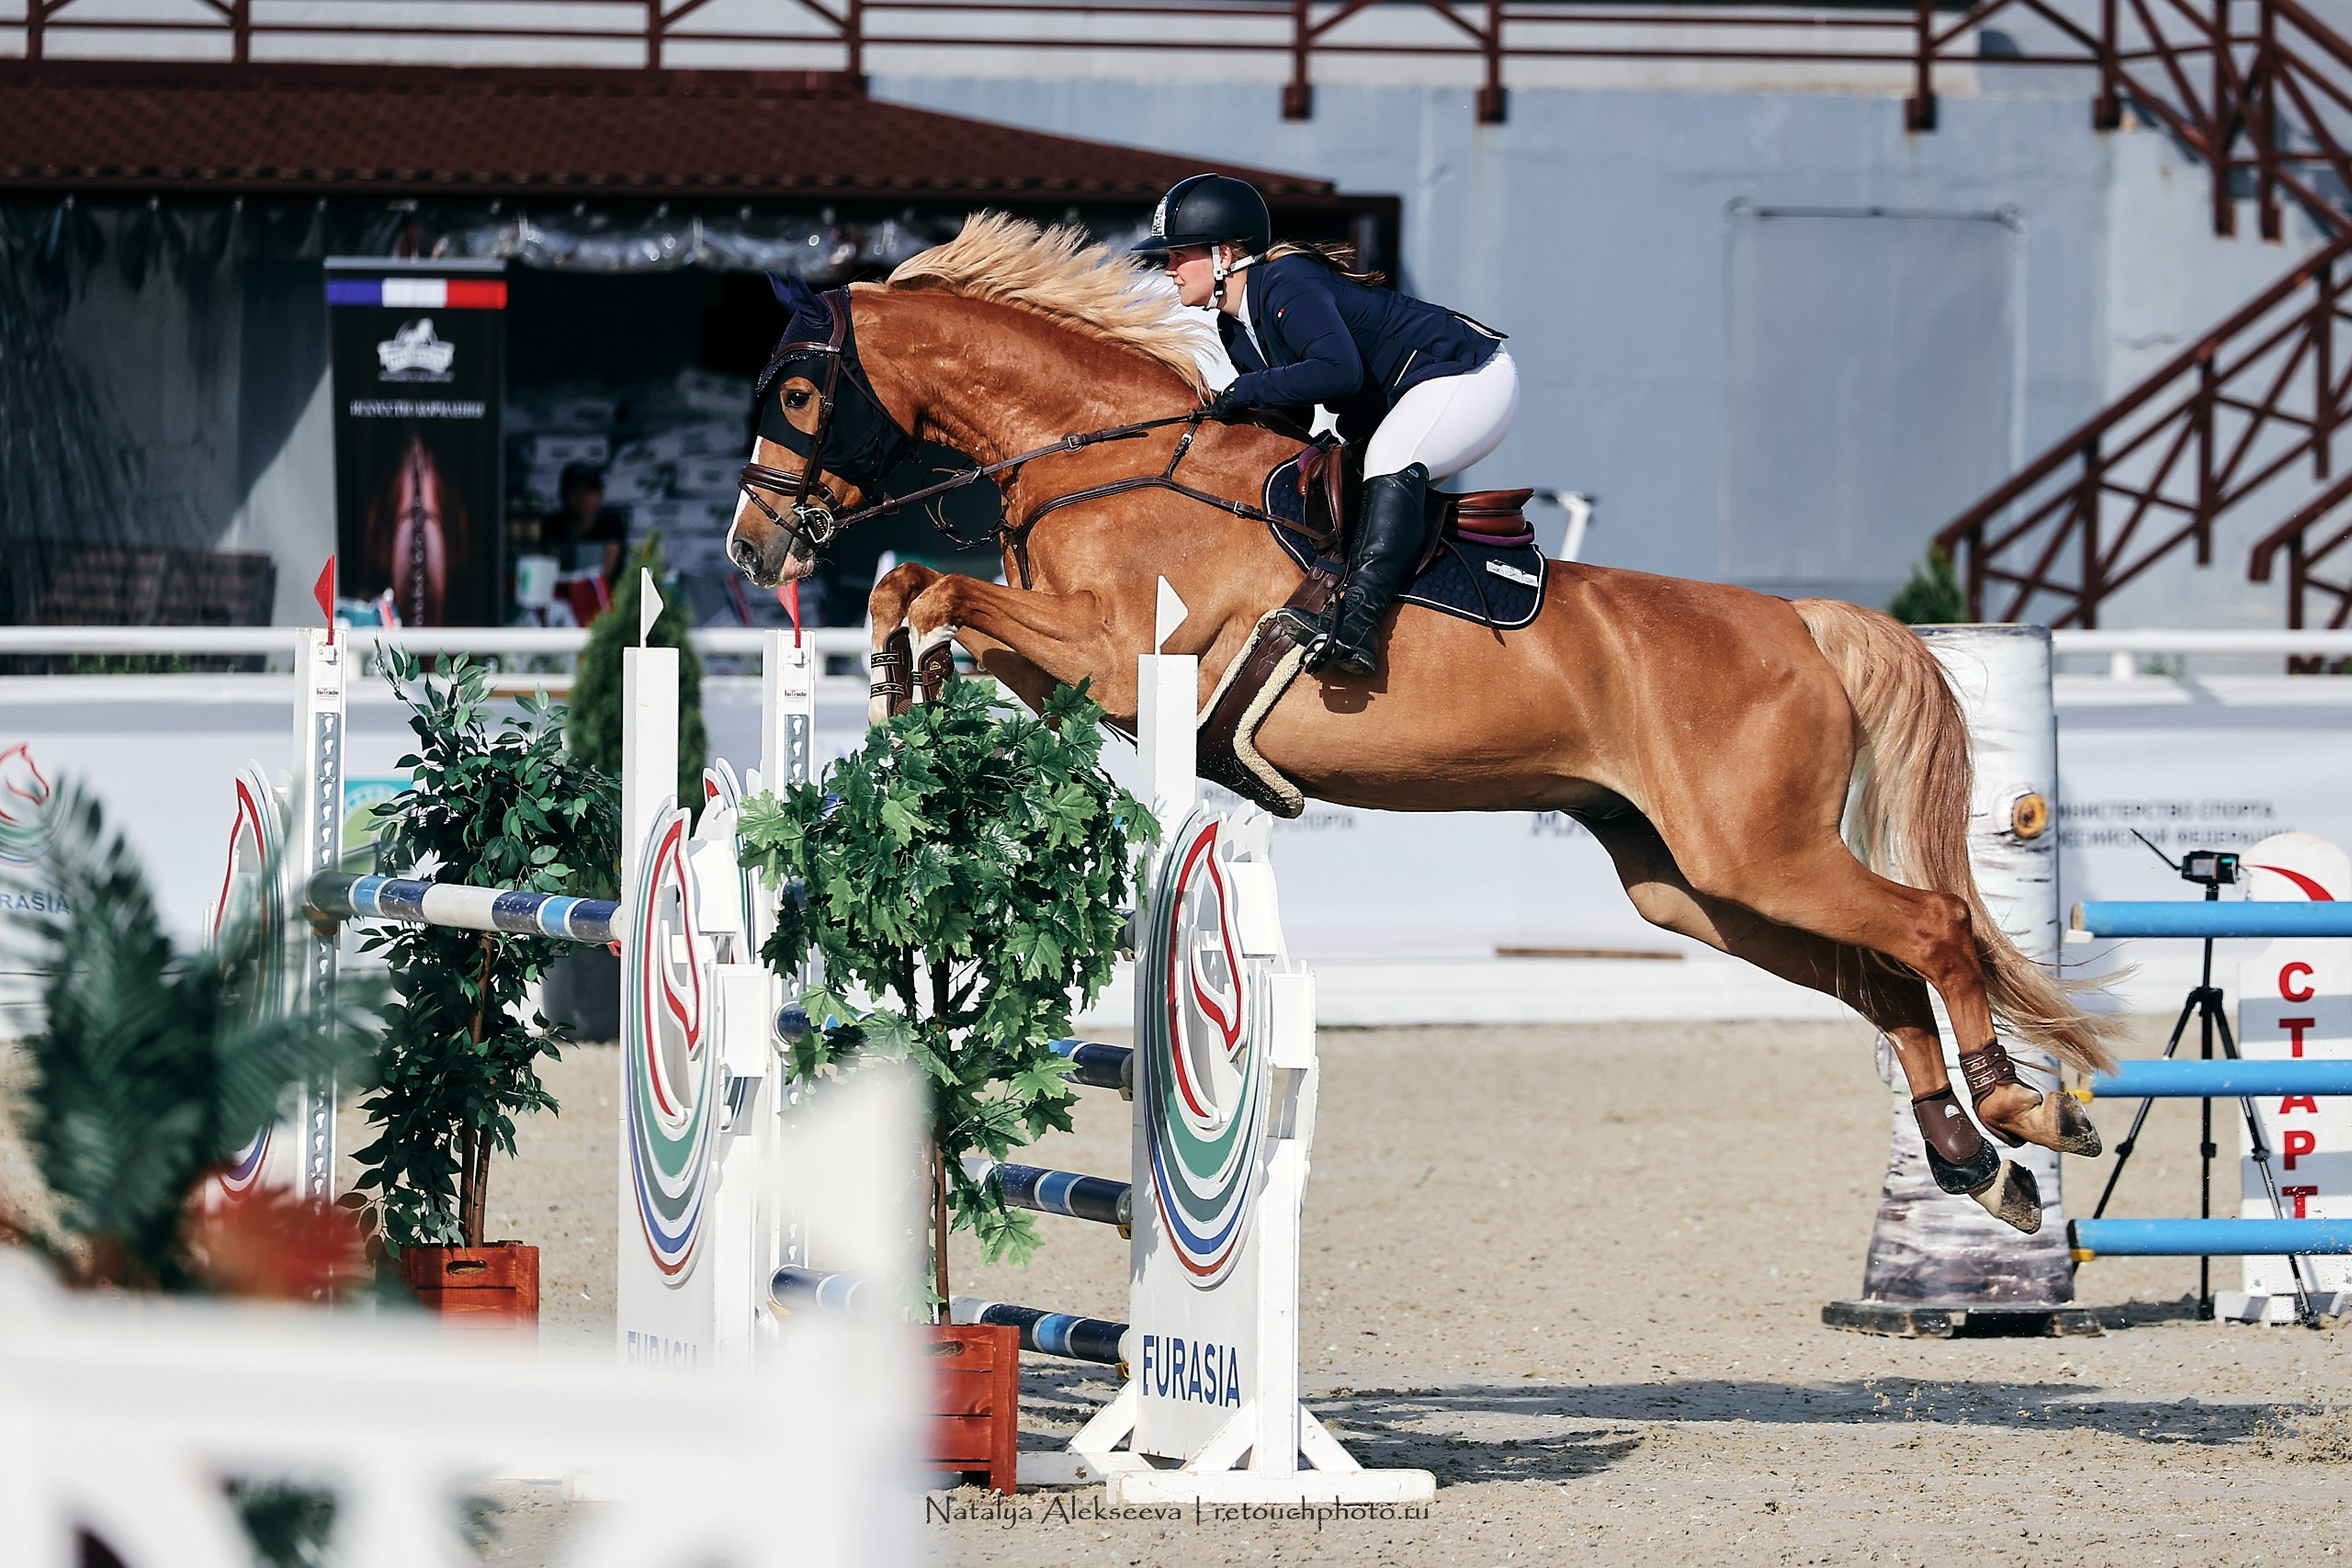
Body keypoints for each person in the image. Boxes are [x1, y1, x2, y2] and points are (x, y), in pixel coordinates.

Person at [1136, 174, 1518, 676]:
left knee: (1390, 460)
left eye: (1178, 255)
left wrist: (1245, 393)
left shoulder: (1287, 281)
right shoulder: (1233, 324)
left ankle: (1357, 626)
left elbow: (1338, 371)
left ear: (1224, 255)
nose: (1169, 270)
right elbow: (1290, 414)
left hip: (1469, 377)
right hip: (1415, 394)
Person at [539, 462, 628, 590]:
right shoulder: (553, 525)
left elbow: (605, 576)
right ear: (564, 495)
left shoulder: (610, 524)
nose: (583, 497)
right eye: (576, 490)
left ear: (599, 495)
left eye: (589, 491)